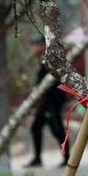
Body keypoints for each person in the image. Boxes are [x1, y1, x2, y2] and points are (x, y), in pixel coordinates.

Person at [26, 36, 70, 168]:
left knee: (57, 129)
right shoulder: (41, 61)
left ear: (42, 46)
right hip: (46, 101)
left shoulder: (49, 61)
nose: (33, 48)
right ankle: (37, 158)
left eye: (35, 45)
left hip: (54, 100)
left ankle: (68, 158)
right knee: (36, 127)